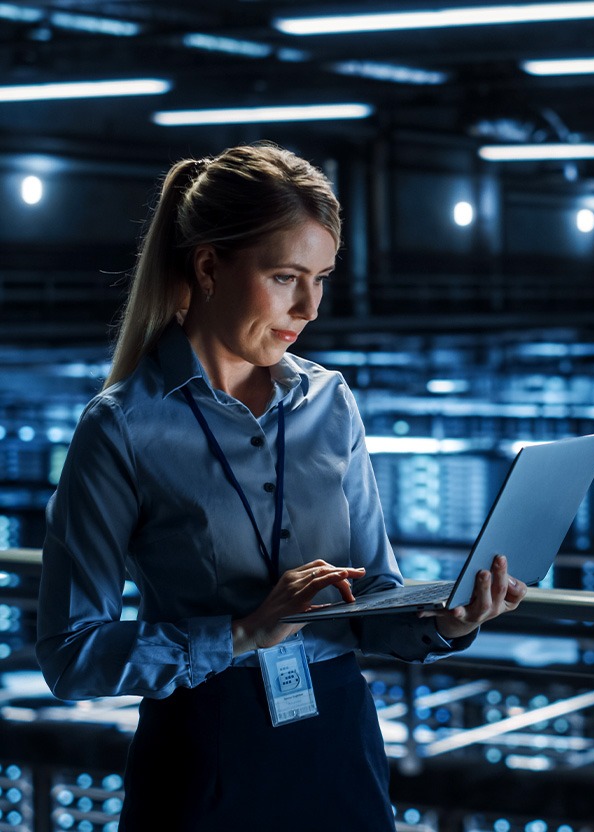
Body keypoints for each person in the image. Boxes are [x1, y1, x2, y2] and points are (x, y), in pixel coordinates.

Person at [35, 141, 527, 831]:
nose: (310, 306)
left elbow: (374, 591)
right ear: (209, 266)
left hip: (338, 745)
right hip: (207, 752)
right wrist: (240, 633)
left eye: (321, 278)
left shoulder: (332, 402)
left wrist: (447, 622)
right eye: (286, 276)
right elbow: (71, 655)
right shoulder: (121, 427)